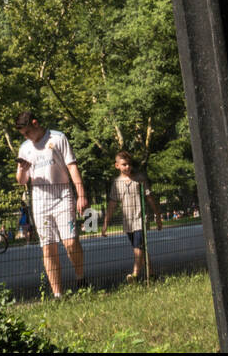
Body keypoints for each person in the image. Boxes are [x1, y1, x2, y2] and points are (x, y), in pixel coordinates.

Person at [15, 110, 87, 299]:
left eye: (27, 132)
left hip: (63, 197)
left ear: (35, 123)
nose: (26, 137)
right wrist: (22, 170)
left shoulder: (57, 138)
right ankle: (58, 294)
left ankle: (81, 279)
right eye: (23, 135)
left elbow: (72, 166)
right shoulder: (25, 148)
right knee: (48, 247)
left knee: (70, 242)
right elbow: (21, 180)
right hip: (40, 201)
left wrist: (81, 195)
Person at [101, 151, 163, 281]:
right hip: (127, 221)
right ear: (117, 166)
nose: (127, 167)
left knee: (138, 246)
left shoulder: (140, 179)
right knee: (140, 249)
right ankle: (151, 274)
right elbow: (112, 205)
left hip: (141, 219)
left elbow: (150, 198)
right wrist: (106, 223)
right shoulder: (116, 183)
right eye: (124, 164)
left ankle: (134, 274)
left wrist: (157, 216)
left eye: (129, 164)